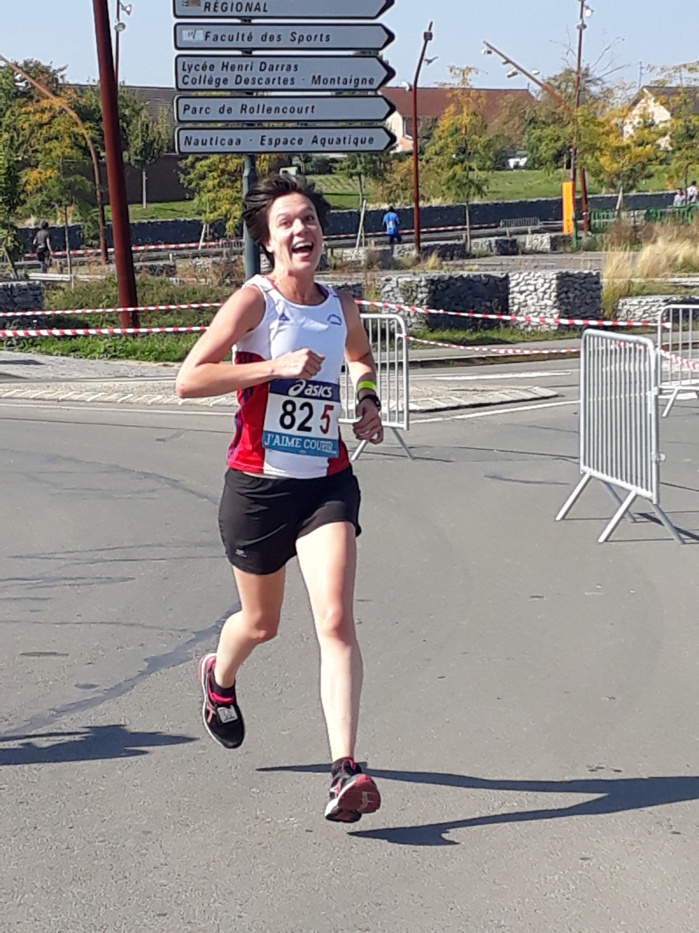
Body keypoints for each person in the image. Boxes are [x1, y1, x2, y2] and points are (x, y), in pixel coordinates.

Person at [176, 174, 384, 824]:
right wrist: (272, 366)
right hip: (257, 488)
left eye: (309, 221)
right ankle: (219, 677)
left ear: (321, 233)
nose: (301, 231)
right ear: (268, 242)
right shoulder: (254, 303)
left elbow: (359, 356)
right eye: (286, 224)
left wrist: (369, 398)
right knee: (260, 623)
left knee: (333, 620)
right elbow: (188, 379)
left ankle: (344, 768)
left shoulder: (339, 305)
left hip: (325, 480)